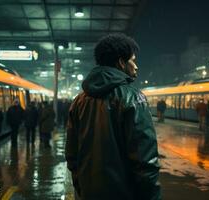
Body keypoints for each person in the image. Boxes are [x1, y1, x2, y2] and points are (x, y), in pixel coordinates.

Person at [66, 33, 161, 200]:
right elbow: (145, 161)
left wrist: (81, 186)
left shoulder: (78, 101)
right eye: (133, 60)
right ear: (121, 62)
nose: (136, 66)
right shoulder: (133, 98)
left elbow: (72, 155)